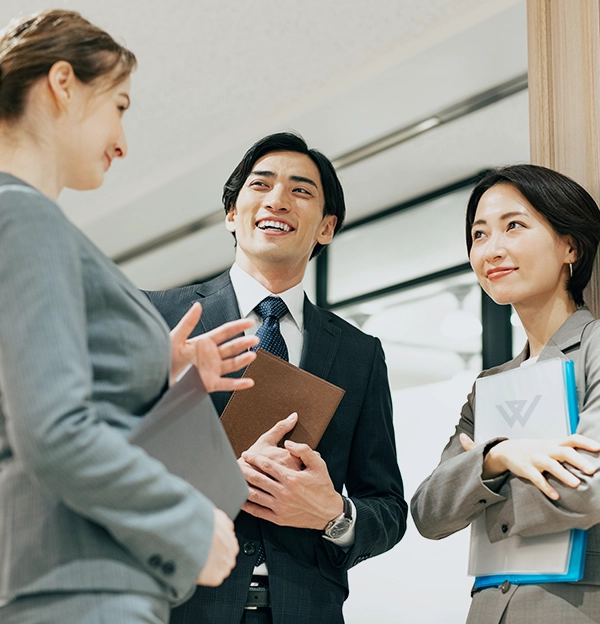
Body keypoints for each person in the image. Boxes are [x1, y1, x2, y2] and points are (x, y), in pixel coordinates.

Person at [0, 10, 260, 624]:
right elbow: (53, 432)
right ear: (63, 84)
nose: (123, 141)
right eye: (119, 106)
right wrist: (190, 520)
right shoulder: (25, 217)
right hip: (83, 584)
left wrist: (151, 366)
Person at [146, 132, 407, 624]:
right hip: (175, 607)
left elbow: (388, 507)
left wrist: (335, 514)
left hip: (304, 610)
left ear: (326, 227)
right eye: (260, 185)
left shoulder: (359, 354)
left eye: (301, 190)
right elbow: (96, 455)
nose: (277, 200)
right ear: (232, 213)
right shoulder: (158, 318)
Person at [411, 164, 600, 623]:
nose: (491, 250)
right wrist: (499, 457)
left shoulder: (595, 347)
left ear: (569, 246)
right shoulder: (489, 386)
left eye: (513, 226)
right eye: (479, 235)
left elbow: (589, 488)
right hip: (489, 609)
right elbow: (429, 511)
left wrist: (479, 489)